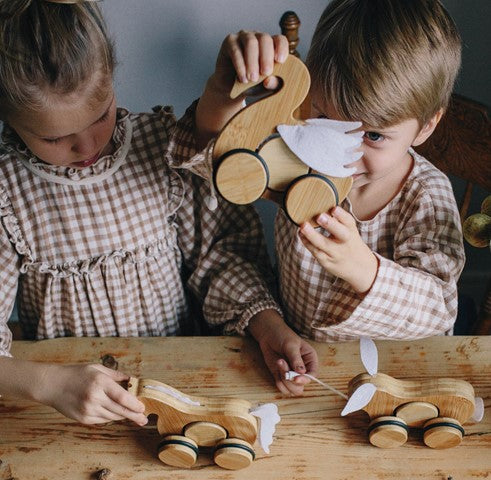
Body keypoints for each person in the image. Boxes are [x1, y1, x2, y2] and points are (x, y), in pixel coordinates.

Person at [0, 0, 317, 426]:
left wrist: (266, 325)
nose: (88, 147)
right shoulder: (7, 192)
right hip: (71, 414)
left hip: (183, 388)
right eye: (55, 138)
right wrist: (51, 384)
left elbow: (218, 258)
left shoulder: (160, 146)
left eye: (101, 116)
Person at [196, 0, 465, 373]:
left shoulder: (425, 194)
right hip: (303, 358)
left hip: (398, 371)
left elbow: (439, 309)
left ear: (425, 127)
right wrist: (221, 92)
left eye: (373, 136)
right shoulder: (300, 156)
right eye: (324, 117)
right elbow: (216, 167)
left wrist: (365, 270)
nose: (345, 154)